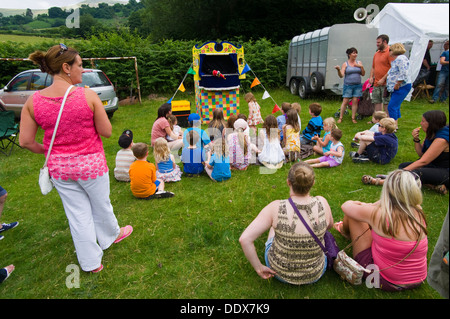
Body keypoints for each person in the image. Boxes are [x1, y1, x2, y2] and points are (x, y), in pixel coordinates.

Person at [20, 44, 132, 273]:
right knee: (101, 204)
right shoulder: (88, 95)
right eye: (80, 65)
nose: (82, 70)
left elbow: (25, 142)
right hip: (91, 165)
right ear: (65, 67)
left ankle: (91, 264)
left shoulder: (33, 101)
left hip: (60, 169)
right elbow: (107, 131)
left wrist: (48, 150)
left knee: (77, 214)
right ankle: (111, 235)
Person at [239, 162, 333, 285]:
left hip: (279, 272)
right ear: (313, 183)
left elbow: (245, 239)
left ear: (288, 182)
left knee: (275, 224)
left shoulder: (276, 207)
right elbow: (329, 226)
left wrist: (259, 267)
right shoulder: (322, 202)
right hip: (315, 272)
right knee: (277, 223)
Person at [335, 169, 428, 292]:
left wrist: (365, 205)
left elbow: (346, 206)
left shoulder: (379, 215)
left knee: (353, 217)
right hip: (418, 279)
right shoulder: (418, 211)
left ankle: (344, 231)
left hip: (384, 280)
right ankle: (345, 230)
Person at [362, 110, 449, 194]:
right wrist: (416, 140)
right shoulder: (432, 132)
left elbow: (424, 161)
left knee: (414, 173)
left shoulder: (442, 139)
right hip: (433, 166)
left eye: (423, 121)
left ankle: (381, 182)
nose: (420, 123)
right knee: (403, 166)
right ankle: (433, 186)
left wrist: (400, 173)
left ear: (431, 124)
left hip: (445, 171)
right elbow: (422, 154)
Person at [335, 47, 366, 124]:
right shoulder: (345, 64)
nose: (355, 54)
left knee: (355, 101)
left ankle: (353, 118)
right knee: (345, 101)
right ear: (349, 54)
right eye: (353, 53)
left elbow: (363, 74)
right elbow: (341, 75)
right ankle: (340, 118)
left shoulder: (359, 63)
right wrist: (338, 70)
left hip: (357, 85)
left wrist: (361, 67)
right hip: (348, 85)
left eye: (356, 53)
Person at [386, 43, 412, 129]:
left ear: (394, 50)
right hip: (397, 87)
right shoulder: (397, 59)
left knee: (392, 106)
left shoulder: (401, 59)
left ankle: (393, 126)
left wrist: (398, 83)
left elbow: (403, 72)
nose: (389, 52)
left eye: (390, 50)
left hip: (401, 86)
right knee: (395, 105)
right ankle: (395, 124)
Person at [369, 34, 391, 113]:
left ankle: (387, 121)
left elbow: (392, 69)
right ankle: (378, 120)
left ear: (385, 42)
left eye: (378, 42)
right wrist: (371, 77)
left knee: (386, 103)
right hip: (376, 83)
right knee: (377, 101)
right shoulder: (376, 53)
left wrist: (383, 79)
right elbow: (373, 67)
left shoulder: (390, 52)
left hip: (386, 83)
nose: (377, 44)